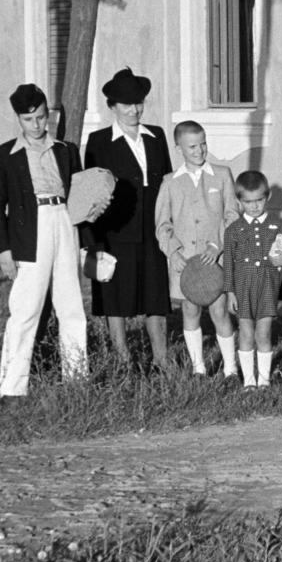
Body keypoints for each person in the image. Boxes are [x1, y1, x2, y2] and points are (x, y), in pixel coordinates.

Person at [0, 83, 89, 398]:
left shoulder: (67, 150)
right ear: (18, 119)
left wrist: (84, 243)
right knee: (25, 310)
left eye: (42, 118)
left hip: (64, 223)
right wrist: (4, 249)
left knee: (72, 307)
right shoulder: (5, 155)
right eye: (29, 119)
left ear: (49, 115)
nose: (36, 125)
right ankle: (12, 388)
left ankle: (76, 381)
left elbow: (80, 199)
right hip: (30, 231)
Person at [82, 68, 173, 369]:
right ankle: (122, 361)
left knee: (156, 295)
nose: (134, 110)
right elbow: (91, 194)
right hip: (116, 230)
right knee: (115, 298)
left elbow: (168, 182)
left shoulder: (156, 135)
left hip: (152, 228)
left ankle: (162, 359)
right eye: (126, 105)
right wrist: (93, 242)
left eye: (139, 103)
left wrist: (168, 225)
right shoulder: (99, 141)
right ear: (112, 107)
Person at [154, 120, 240, 377]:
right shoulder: (170, 182)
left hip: (215, 258)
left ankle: (232, 370)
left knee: (219, 310)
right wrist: (173, 252)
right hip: (185, 262)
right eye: (192, 146)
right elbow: (162, 225)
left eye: (203, 144)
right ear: (178, 147)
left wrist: (218, 244)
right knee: (190, 311)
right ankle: (198, 368)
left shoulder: (222, 174)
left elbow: (232, 214)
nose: (199, 150)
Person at [222, 170, 282, 389]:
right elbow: (228, 264)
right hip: (242, 289)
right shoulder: (233, 230)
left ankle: (264, 380)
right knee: (245, 333)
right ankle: (249, 382)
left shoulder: (277, 225)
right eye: (248, 201)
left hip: (267, 288)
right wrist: (230, 292)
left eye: (259, 200)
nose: (254, 206)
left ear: (267, 197)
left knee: (263, 333)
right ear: (239, 201)